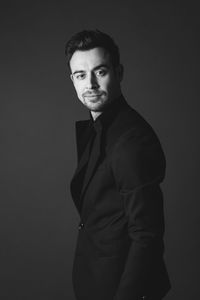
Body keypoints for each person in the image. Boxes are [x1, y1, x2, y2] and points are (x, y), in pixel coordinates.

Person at [65, 29, 171, 300]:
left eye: (100, 72)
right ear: (73, 80)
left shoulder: (131, 140)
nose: (90, 84)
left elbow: (146, 234)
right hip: (97, 281)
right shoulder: (102, 128)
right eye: (80, 75)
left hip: (121, 289)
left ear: (119, 73)